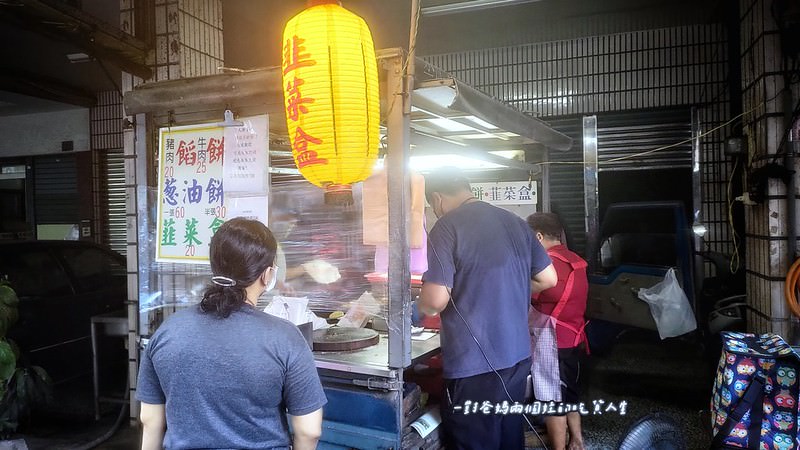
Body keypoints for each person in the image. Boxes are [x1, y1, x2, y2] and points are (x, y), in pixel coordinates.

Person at [137, 218, 327, 450]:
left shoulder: (167, 332)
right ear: (267, 275)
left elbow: (150, 420)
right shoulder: (285, 337)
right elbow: (309, 431)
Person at [418, 167, 557, 450]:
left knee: (475, 441)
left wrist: (415, 306)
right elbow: (548, 278)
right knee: (508, 438)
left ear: (437, 198)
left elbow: (435, 302)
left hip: (474, 367)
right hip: (517, 359)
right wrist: (504, 289)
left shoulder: (447, 226)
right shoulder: (516, 222)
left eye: (431, 205)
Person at [527, 212, 588, 450]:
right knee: (569, 391)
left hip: (552, 341)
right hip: (573, 337)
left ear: (539, 236)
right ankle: (577, 440)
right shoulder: (575, 260)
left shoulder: (547, 266)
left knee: (551, 397)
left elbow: (533, 295)